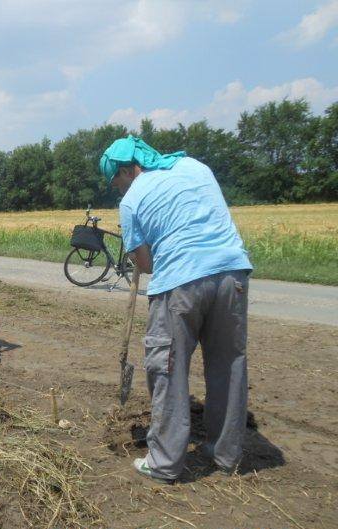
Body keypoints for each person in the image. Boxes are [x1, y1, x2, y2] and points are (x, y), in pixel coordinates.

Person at [100, 135, 253, 484]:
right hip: (233, 274)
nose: (118, 190)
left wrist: (139, 247)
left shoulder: (133, 200)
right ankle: (226, 456)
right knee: (228, 366)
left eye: (116, 182)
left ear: (128, 169)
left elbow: (147, 264)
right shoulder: (195, 166)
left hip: (180, 283)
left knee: (167, 366)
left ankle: (165, 462)